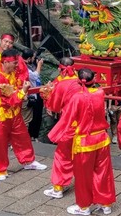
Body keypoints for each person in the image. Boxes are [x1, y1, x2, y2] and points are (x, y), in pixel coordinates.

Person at [48, 68, 116, 216]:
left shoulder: (77, 98)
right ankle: (106, 204)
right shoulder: (100, 93)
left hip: (85, 142)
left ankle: (84, 207)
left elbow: (67, 119)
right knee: (103, 172)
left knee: (83, 176)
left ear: (79, 81)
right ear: (94, 80)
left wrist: (55, 134)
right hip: (102, 139)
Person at [0, 49, 47, 181]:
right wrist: (23, 92)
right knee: (0, 142)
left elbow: (18, 91)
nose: (17, 65)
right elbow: (9, 99)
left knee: (22, 137)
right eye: (15, 62)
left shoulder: (13, 74)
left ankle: (28, 161)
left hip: (14, 113)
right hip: (0, 115)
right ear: (6, 62)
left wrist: (23, 91)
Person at [43, 58, 83, 199]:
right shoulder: (82, 80)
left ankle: (58, 187)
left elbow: (54, 106)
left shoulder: (61, 85)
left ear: (60, 70)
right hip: (84, 124)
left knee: (62, 155)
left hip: (69, 123)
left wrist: (47, 96)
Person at [21, 49, 44, 140]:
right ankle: (25, 138)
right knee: (26, 119)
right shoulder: (24, 66)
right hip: (27, 95)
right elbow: (34, 76)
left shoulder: (24, 64)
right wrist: (39, 65)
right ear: (29, 58)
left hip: (30, 93)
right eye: (33, 57)